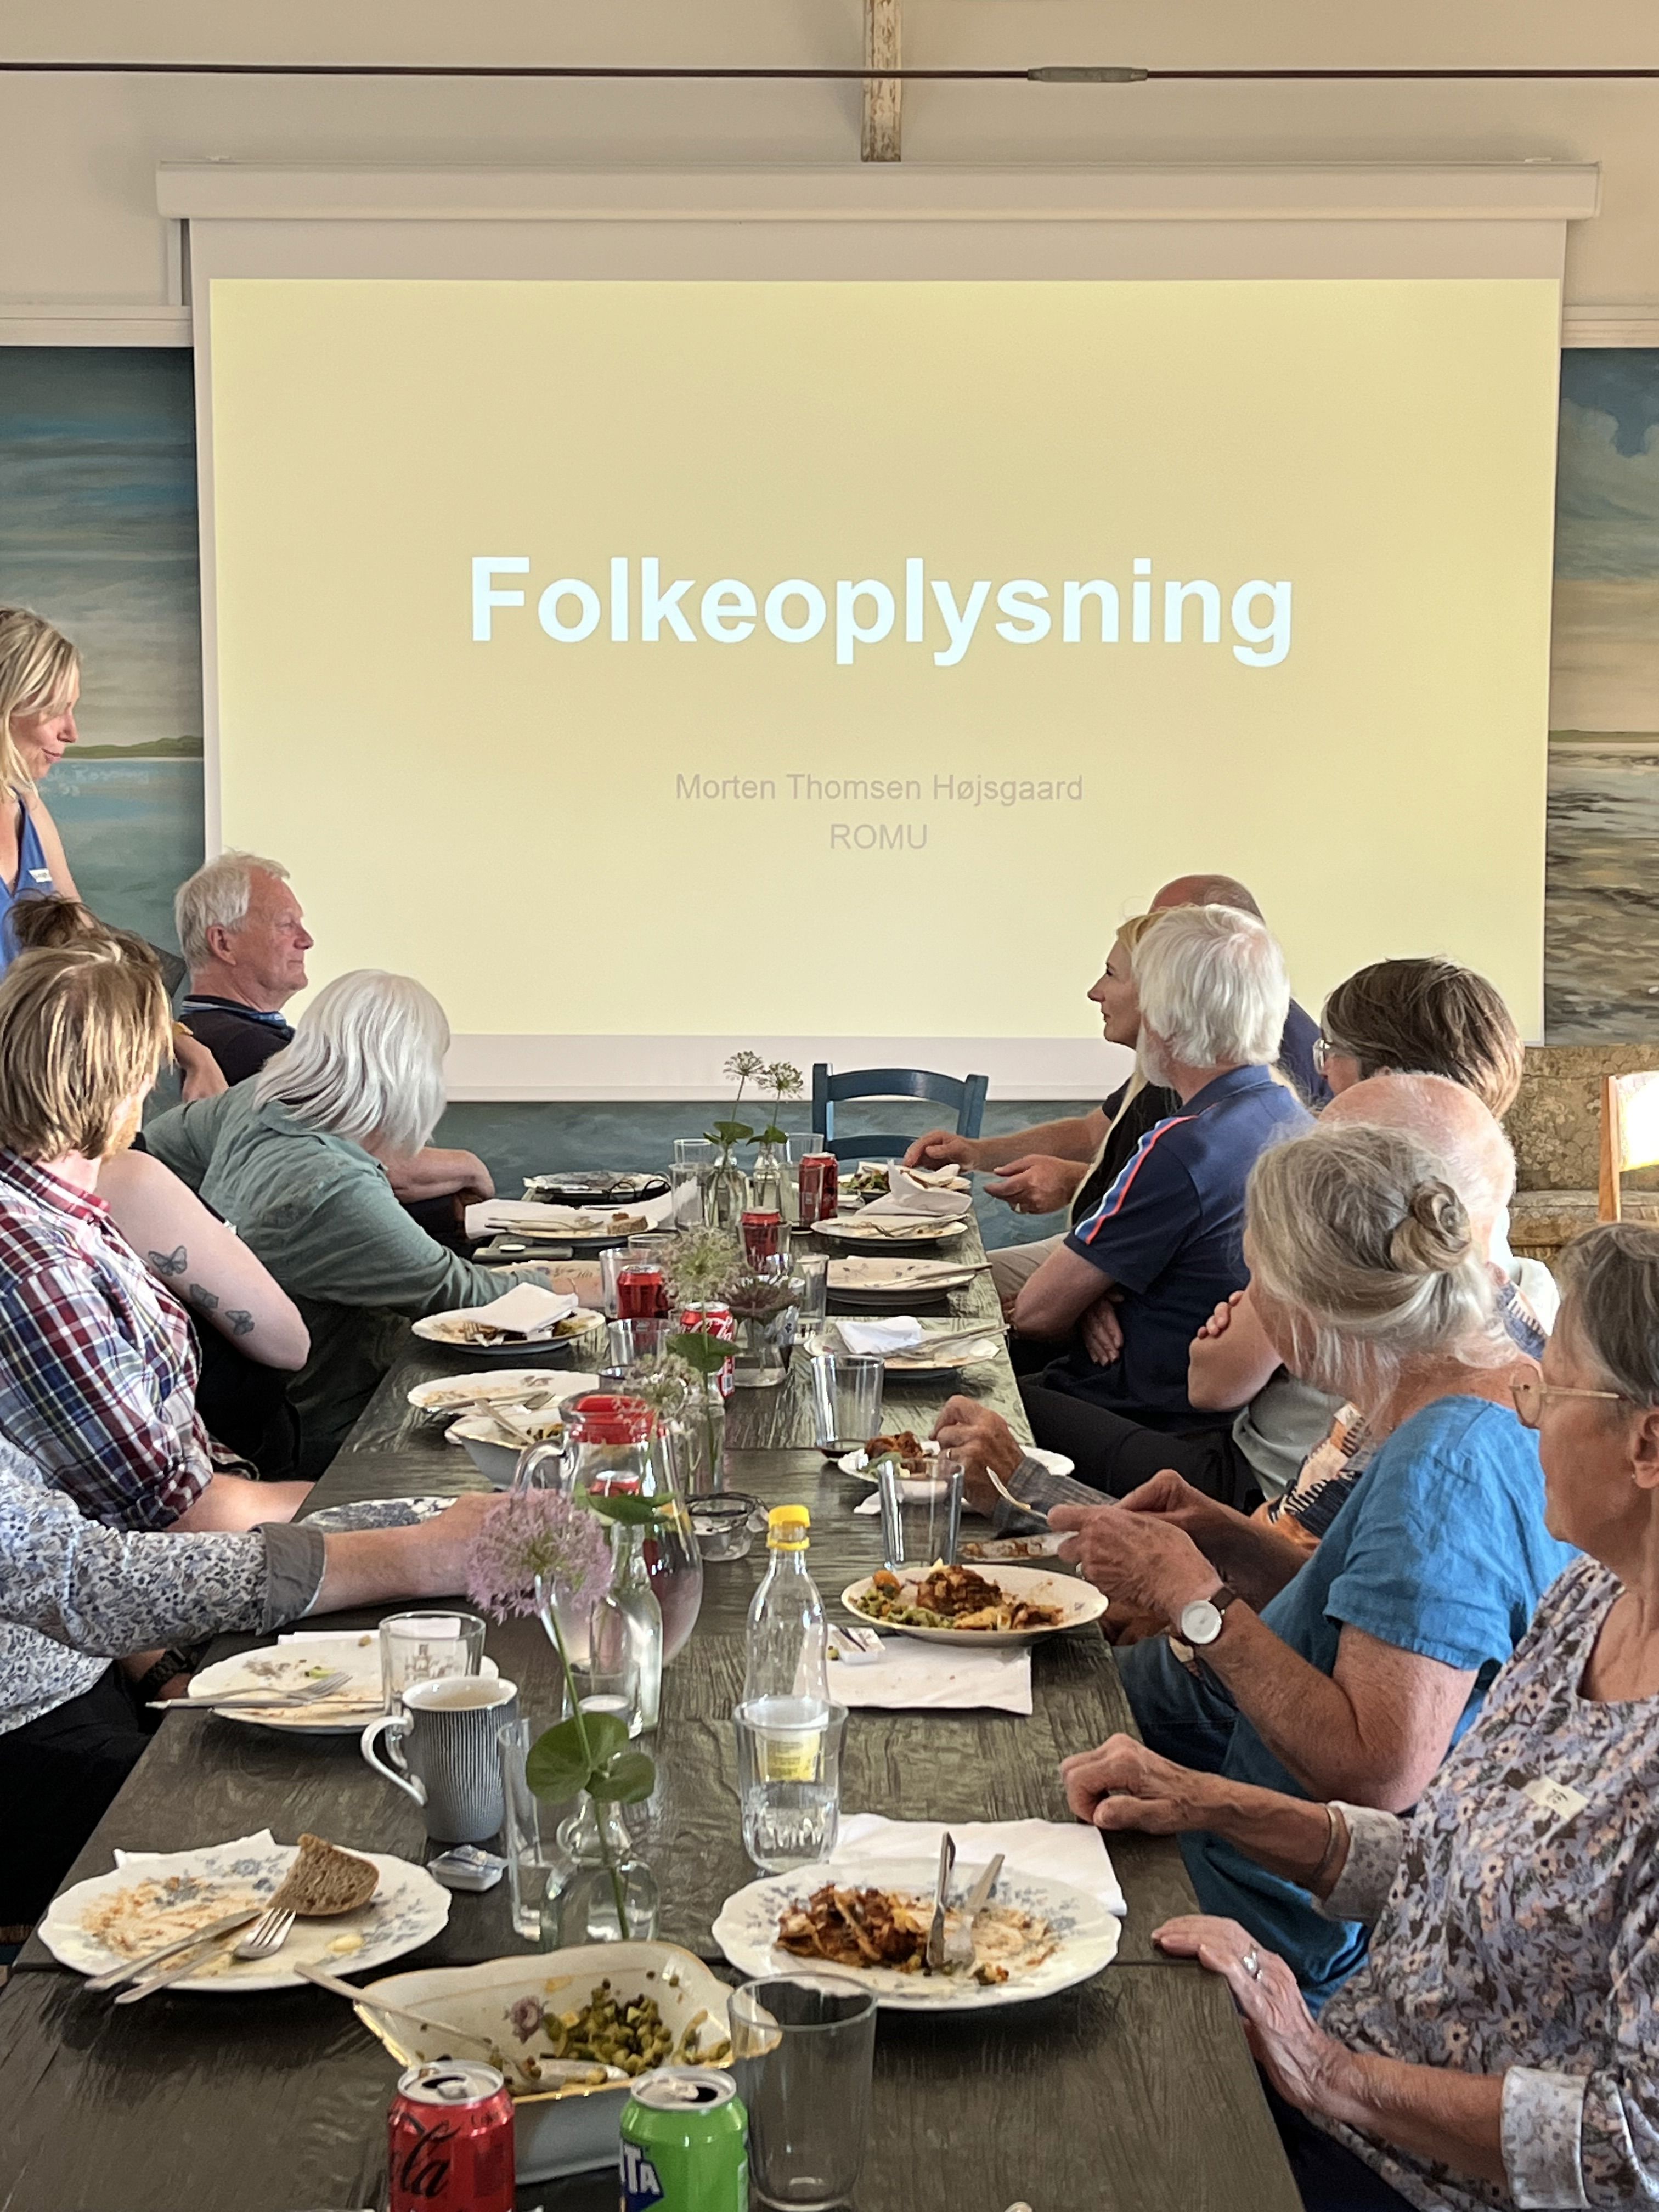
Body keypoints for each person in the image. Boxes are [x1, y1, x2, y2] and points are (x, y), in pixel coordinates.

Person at [1063, 1222, 1659, 2212]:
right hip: (1352, 2089)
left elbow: (1630, 2145)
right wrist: (1210, 1802)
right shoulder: (1591, 1603)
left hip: (1414, 2172)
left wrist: (1327, 2071)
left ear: (1646, 1444)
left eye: (1549, 1393)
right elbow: (1445, 1854)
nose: (1523, 1413)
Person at [1045, 1117, 1576, 2004]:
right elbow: (1381, 1638)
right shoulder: (1475, 1386)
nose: (1247, 1296)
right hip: (1255, 1870)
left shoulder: (1443, 1466)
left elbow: (1377, 1768)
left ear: (1309, 1302)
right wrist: (1232, 1541)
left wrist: (1194, 1597)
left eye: (1256, 1275)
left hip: (1273, 1925)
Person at [940, 1073, 1541, 1523]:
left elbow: (1272, 1610)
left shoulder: (1433, 1456)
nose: (1250, 1288)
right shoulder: (1441, 1365)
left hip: (1231, 1469)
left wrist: (1031, 1492)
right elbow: (1286, 1551)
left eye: (1259, 1273)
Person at [0, 1469, 499, 1929]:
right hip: (25, 1742)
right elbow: (80, 1578)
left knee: (380, 1770)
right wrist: (416, 1556)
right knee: (322, 1804)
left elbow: (90, 1548)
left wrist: (161, 1672)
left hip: (94, 1687)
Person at [145, 968, 583, 1471]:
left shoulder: (254, 1106)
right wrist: (610, 1283)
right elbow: (468, 1296)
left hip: (253, 1417)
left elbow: (148, 1150)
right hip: (344, 1433)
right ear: (412, 1075)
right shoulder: (333, 1189)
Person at [902, 872, 1328, 1305]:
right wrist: (978, 1153)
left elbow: (1213, 1219)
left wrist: (1093, 1289)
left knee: (936, 1290)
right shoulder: (1190, 1062)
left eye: (1166, 935)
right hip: (1129, 1260)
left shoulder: (1238, 1074)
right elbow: (1097, 1134)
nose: (1153, 943)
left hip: (1153, 1280)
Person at [1188, 956, 1552, 1462]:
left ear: (1385, 1078)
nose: (1322, 1068)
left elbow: (1212, 1385)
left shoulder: (1350, 1210)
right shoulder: (1480, 1186)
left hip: (1277, 1465)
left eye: (1330, 1050)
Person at [0, 940, 309, 1534]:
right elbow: (174, 1516)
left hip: (213, 1497)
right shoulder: (43, 1266)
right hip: (172, 1562)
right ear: (134, 1080)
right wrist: (371, 1503)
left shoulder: (66, 1210)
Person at [1012, 904, 1313, 1463]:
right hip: (1227, 1421)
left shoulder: (1185, 1145)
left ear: (1165, 1018)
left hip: (1148, 1415)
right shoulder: (1292, 1117)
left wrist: (1088, 1296)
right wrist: (1096, 1292)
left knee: (968, 1398)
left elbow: (1036, 1314)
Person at [173, 851, 492, 1226]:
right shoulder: (243, 1047)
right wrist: (470, 1168)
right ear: (224, 943)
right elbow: (361, 1160)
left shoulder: (213, 1035)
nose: (306, 940)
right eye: (286, 925)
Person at [0, 607, 82, 962]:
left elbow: (84, 942)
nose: (72, 733)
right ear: (7, 705)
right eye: (57, 710)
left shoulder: (27, 806)